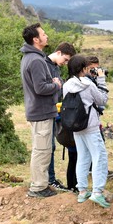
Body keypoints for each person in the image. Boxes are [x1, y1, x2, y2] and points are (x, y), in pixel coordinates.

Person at [21, 23, 63, 198]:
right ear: (35, 39)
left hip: (39, 110)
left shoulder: (30, 57)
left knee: (41, 149)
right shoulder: (37, 60)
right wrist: (55, 84)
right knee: (42, 150)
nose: (46, 36)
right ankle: (38, 187)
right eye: (43, 34)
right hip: (41, 111)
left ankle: (41, 183)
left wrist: (50, 82)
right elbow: (40, 88)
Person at [63, 55, 110, 208]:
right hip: (90, 126)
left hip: (75, 126)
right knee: (99, 157)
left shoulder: (66, 85)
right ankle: (97, 192)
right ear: (84, 69)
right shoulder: (87, 85)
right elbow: (102, 100)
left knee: (82, 157)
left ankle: (82, 190)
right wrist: (101, 79)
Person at [46, 42, 76, 190]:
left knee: (51, 145)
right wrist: (57, 86)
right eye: (65, 59)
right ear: (59, 52)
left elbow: (59, 88)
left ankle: (51, 178)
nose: (65, 63)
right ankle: (49, 179)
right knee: (47, 146)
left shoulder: (55, 67)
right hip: (45, 110)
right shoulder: (44, 65)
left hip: (54, 108)